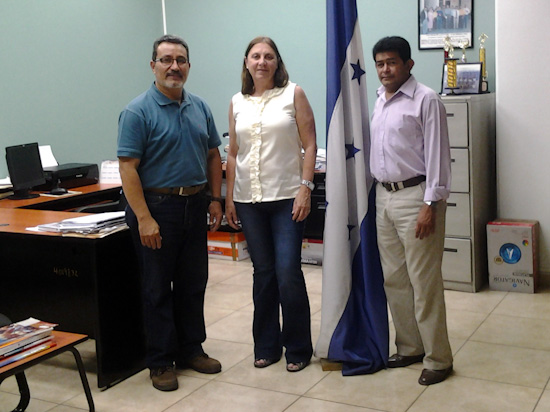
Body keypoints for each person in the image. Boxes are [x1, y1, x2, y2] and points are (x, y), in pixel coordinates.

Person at [117, 34, 223, 392]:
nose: (174, 66)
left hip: (195, 204)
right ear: (153, 66)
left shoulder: (200, 107)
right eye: (166, 60)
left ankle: (191, 349)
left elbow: (212, 156)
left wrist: (215, 198)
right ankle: (160, 360)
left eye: (180, 60)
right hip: (157, 208)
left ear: (188, 67)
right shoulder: (137, 111)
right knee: (157, 288)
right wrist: (145, 219)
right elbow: (128, 168)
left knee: (193, 283)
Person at [224, 36, 317, 372]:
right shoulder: (237, 101)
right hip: (249, 200)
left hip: (287, 198)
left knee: (287, 272)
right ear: (246, 62)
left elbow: (309, 143)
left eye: (268, 56)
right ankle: (266, 345)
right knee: (262, 274)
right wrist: (230, 197)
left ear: (277, 62)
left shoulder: (294, 94)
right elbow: (233, 154)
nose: (261, 62)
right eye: (255, 56)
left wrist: (305, 189)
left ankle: (298, 347)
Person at [369, 36, 453, 385]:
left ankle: (438, 359)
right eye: (379, 63)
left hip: (416, 197)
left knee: (424, 281)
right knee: (395, 280)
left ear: (408, 65)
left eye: (391, 62)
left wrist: (430, 205)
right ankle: (409, 347)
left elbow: (438, 156)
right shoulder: (378, 100)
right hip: (383, 198)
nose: (385, 70)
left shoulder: (426, 99)